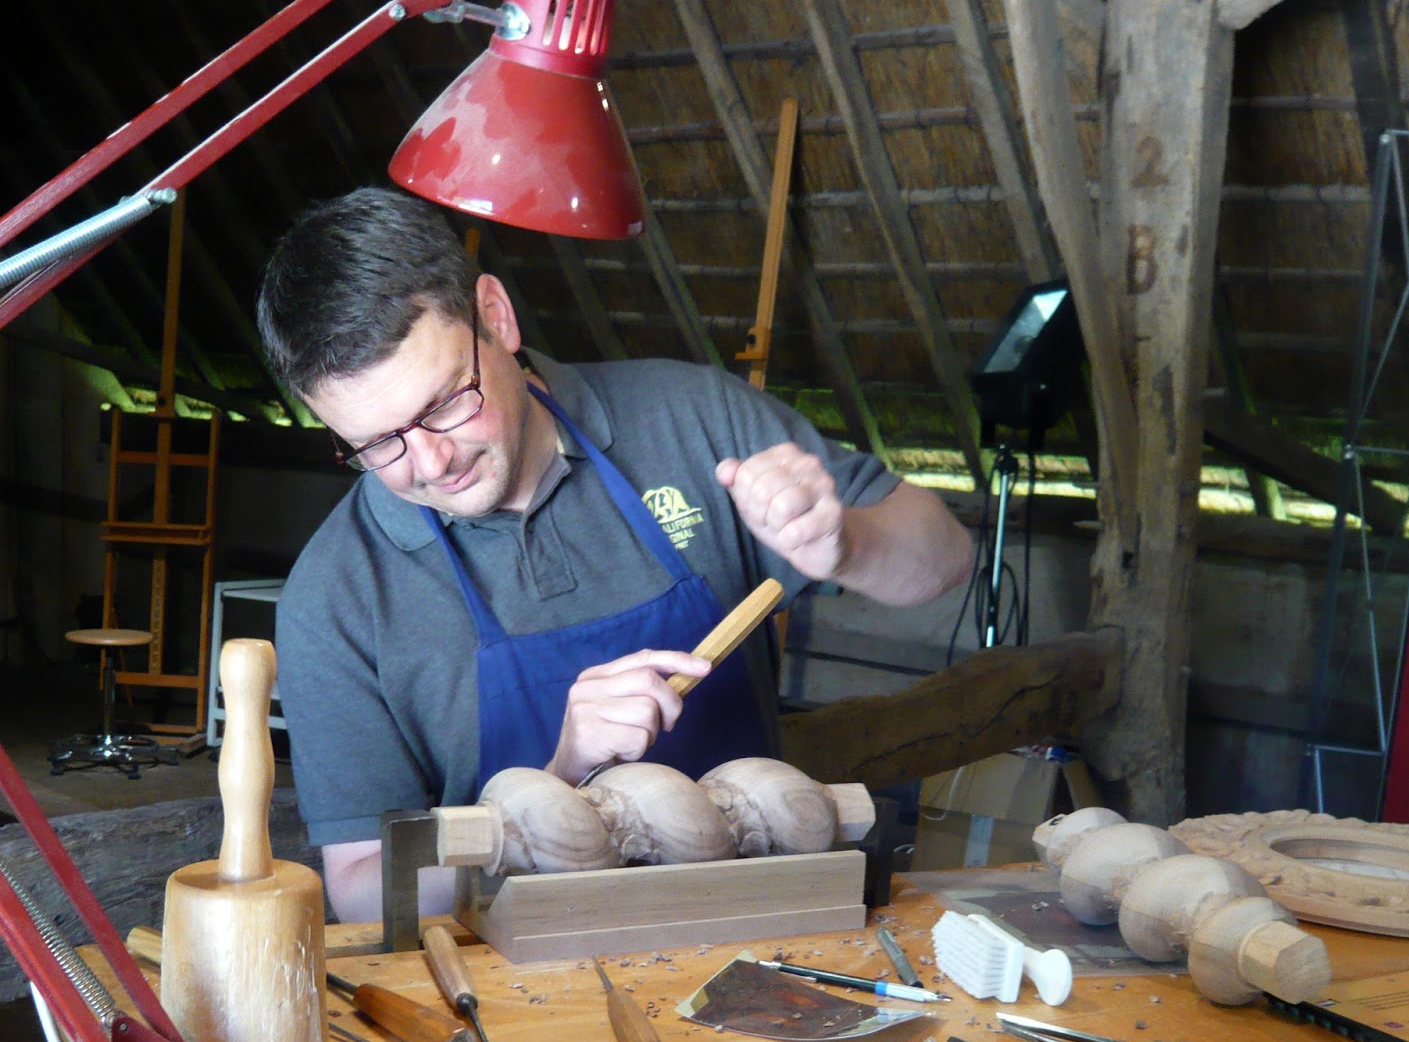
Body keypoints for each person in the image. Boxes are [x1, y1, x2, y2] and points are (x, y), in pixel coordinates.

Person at [256, 188, 973, 923]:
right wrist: (560, 779)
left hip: (752, 930)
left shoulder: (690, 420)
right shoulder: (337, 593)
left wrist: (846, 543)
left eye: (444, 404)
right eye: (379, 443)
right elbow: (362, 890)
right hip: (511, 986)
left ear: (495, 318)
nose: (432, 463)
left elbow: (945, 558)